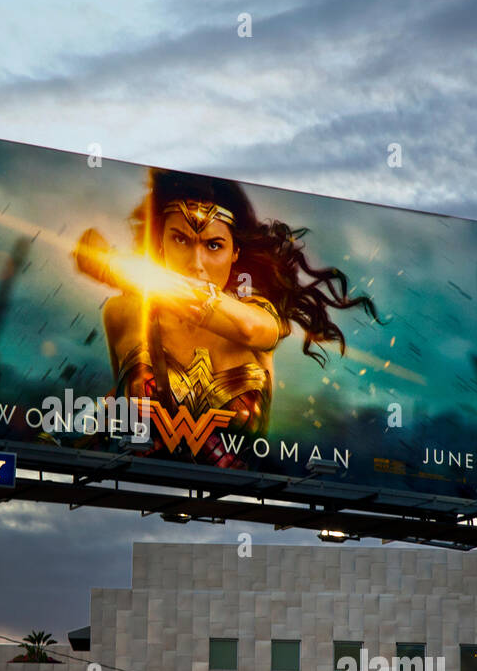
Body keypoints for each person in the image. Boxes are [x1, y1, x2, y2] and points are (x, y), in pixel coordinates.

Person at [72, 168, 380, 469]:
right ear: (161, 241)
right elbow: (125, 406)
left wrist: (113, 267)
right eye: (181, 240)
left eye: (214, 245)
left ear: (235, 252)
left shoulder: (260, 314)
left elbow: (247, 329)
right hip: (138, 493)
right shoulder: (122, 313)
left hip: (242, 504)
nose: (196, 264)